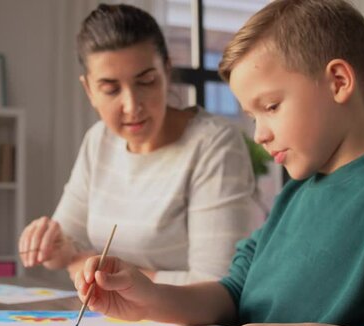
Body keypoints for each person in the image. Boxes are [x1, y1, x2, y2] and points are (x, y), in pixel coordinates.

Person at [74, 0, 364, 326]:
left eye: (270, 107)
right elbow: (234, 294)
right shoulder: (294, 195)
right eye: (252, 116)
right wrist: (148, 298)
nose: (259, 134)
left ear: (337, 81)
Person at [18, 4, 257, 285]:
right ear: (89, 90)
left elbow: (219, 285)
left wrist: (107, 275)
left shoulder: (214, 144)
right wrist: (50, 246)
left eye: (146, 81)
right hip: (111, 323)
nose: (132, 106)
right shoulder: (99, 141)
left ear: (167, 71)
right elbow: (69, 247)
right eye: (111, 89)